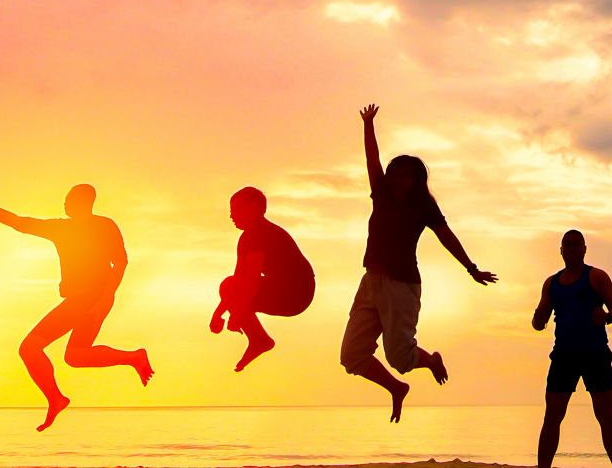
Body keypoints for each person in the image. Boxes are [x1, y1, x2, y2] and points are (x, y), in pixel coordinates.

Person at [339, 104, 497, 422]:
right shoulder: (381, 193)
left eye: (405, 176)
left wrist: (471, 268)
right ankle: (396, 389)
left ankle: (431, 361)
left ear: (415, 180)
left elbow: (447, 237)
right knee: (351, 354)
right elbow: (371, 159)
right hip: (371, 282)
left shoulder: (423, 206)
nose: (398, 179)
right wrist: (368, 125)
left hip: (402, 285)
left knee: (400, 357)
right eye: (395, 174)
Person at [0, 185, 153, 431]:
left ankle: (56, 399)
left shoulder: (103, 226)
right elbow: (19, 223)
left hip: (89, 298)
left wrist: (105, 297)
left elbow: (121, 262)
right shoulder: (61, 228)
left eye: (68, 199)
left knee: (29, 348)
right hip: (84, 299)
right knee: (76, 356)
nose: (65, 203)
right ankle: (133, 358)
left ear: (84, 201)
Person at [532, 229, 612, 468]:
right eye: (568, 245)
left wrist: (606, 318)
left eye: (577, 244)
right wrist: (538, 318)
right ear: (561, 250)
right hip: (563, 356)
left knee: (606, 416)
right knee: (552, 417)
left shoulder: (597, 276)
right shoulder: (551, 283)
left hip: (595, 354)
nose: (572, 248)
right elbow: (538, 321)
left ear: (584, 249)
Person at [210, 186, 316, 371]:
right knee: (230, 286)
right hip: (283, 290)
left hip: (297, 292)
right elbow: (238, 281)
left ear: (252, 208)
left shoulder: (259, 233)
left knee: (230, 287)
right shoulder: (246, 239)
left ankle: (258, 339)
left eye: (236, 209)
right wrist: (218, 313)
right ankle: (259, 339)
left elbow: (251, 281)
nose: (231, 215)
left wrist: (236, 313)